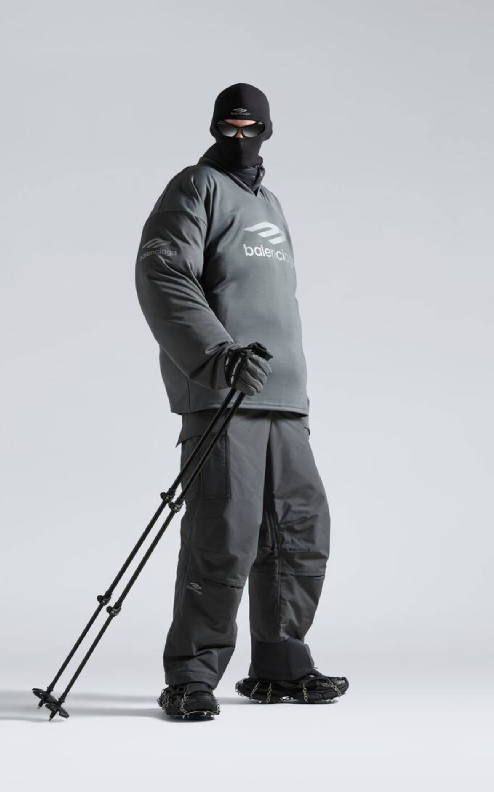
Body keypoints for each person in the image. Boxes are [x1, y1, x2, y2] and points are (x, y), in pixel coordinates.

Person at [135, 82, 348, 720]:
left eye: (250, 127)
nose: (239, 137)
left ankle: (279, 667)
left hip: (283, 397)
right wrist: (218, 354)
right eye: (227, 126)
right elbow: (162, 271)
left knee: (299, 532)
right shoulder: (195, 187)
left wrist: (295, 383)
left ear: (267, 131)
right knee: (222, 536)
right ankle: (191, 677)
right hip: (224, 392)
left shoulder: (270, 203)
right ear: (212, 128)